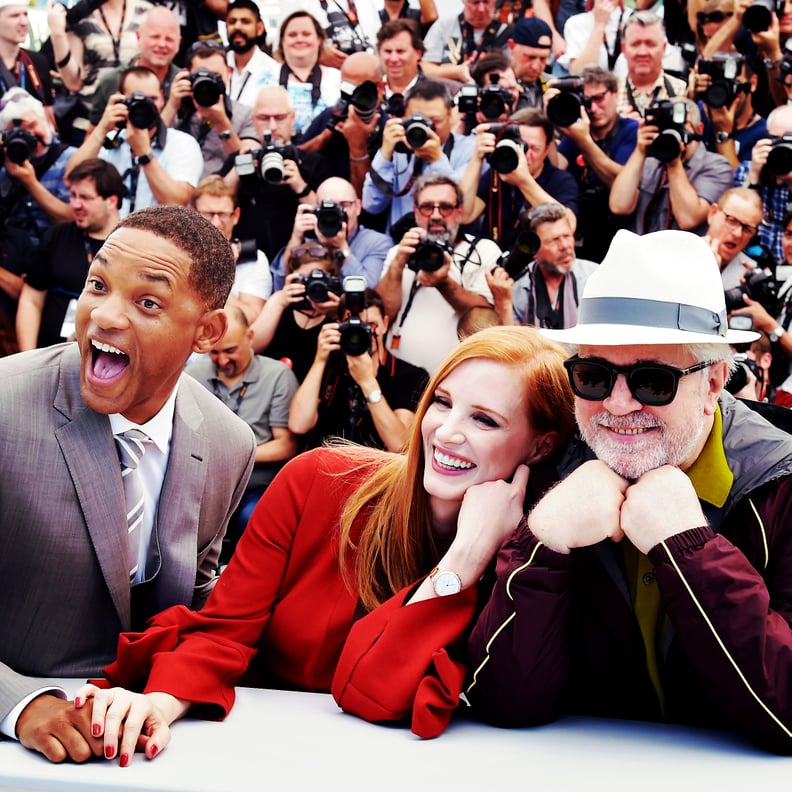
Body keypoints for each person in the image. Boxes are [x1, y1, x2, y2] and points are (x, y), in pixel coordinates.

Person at [70, 324, 575, 762]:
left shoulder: (532, 554)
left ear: (540, 445)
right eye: (441, 403)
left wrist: (466, 559)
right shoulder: (317, 479)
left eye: (484, 419)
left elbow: (376, 691)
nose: (445, 432)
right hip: (261, 752)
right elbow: (225, 631)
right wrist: (160, 703)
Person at [466, 227, 792, 754]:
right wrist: (540, 544)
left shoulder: (782, 485)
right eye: (592, 375)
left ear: (713, 382)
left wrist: (691, 550)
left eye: (652, 381)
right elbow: (505, 702)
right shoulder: (548, 473)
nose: (618, 405)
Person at [0, 205, 256, 764]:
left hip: (156, 751)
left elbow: (196, 603)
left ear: (207, 332)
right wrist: (19, 704)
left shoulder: (229, 442)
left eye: (147, 302)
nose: (104, 317)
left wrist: (164, 701)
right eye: (97, 284)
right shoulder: (3, 404)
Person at [186, 306, 298, 558]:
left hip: (254, 486)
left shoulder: (278, 376)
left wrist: (230, 453)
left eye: (230, 351)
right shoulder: (192, 376)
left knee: (254, 520)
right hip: (201, 485)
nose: (223, 361)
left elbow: (285, 446)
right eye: (214, 353)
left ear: (250, 338)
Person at [377, 173, 500, 375]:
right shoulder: (399, 251)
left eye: (445, 207)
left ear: (459, 211)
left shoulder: (484, 251)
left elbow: (485, 320)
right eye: (427, 207)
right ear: (415, 211)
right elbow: (383, 314)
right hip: (398, 380)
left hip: (454, 377)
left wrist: (444, 283)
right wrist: (399, 263)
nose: (435, 215)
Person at [288, 287, 429, 452]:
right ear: (339, 326)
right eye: (354, 326)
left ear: (385, 324)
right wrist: (320, 360)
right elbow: (298, 425)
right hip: (323, 464)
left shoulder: (411, 376)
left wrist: (367, 382)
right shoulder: (328, 364)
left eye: (371, 326)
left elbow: (400, 445)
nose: (363, 333)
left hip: (374, 472)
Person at [15, 158, 124, 351]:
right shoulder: (58, 236)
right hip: (47, 355)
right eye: (73, 195)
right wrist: (29, 355)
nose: (75, 204)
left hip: (101, 358)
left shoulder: (129, 246)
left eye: (85, 197)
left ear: (111, 201)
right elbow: (31, 300)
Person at [68, 64, 204, 216]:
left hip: (157, 236)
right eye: (137, 99)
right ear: (121, 99)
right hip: (113, 236)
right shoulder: (111, 141)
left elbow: (177, 203)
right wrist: (102, 128)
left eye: (152, 99)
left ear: (162, 99)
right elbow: (71, 178)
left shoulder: (183, 143)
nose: (145, 106)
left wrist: (144, 153)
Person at [227, 85, 332, 262]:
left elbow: (331, 219)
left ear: (293, 118)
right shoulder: (240, 159)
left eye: (280, 118)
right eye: (264, 118)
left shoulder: (314, 163)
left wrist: (301, 187)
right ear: (253, 120)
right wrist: (238, 172)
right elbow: (210, 204)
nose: (272, 126)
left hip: (301, 260)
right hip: (247, 259)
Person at [362, 79, 477, 232]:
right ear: (404, 118)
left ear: (450, 114)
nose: (426, 129)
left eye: (434, 121)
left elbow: (461, 207)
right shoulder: (399, 147)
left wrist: (437, 159)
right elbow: (371, 204)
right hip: (399, 243)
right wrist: (385, 154)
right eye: (418, 121)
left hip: (446, 242)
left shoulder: (469, 149)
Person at [609, 97, 733, 235]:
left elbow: (688, 219)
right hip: (642, 252)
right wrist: (639, 151)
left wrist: (674, 163)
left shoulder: (718, 167)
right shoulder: (649, 163)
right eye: (666, 127)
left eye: (679, 126)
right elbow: (619, 206)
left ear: (699, 129)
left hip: (682, 254)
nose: (672, 132)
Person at [461, 108, 579, 251]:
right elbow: (464, 215)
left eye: (534, 148)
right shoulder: (497, 176)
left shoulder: (561, 180)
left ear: (547, 149)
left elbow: (569, 225)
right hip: (492, 263)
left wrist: (524, 181)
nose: (525, 154)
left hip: (536, 265)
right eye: (520, 145)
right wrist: (477, 158)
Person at [554, 65, 638, 261]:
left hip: (620, 235)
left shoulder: (632, 131)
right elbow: (555, 168)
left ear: (615, 94)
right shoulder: (575, 132)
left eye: (599, 98)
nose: (593, 108)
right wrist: (552, 121)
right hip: (582, 233)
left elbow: (622, 182)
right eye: (586, 101)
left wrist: (584, 142)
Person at [47, 0, 153, 136]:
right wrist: (58, 34)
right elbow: (73, 83)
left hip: (138, 117)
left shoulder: (147, 11)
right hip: (90, 119)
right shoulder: (81, 15)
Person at [272, 176, 392, 292]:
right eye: (328, 206)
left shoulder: (378, 243)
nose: (336, 213)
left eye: (344, 205)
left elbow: (370, 292)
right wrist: (296, 238)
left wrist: (342, 248)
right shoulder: (307, 245)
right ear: (316, 210)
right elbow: (280, 289)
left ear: (358, 207)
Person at [489, 202, 598, 327]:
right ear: (534, 250)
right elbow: (512, 342)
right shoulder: (517, 287)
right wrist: (504, 305)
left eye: (567, 236)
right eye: (554, 240)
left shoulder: (595, 276)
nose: (565, 246)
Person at [161, 41, 258, 178]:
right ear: (186, 74)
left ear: (229, 73)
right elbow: (152, 147)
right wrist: (172, 105)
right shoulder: (175, 109)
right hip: (176, 191)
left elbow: (246, 166)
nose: (208, 82)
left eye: (215, 75)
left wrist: (221, 123)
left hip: (222, 193)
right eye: (201, 75)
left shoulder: (245, 114)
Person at [249, 243, 340, 383]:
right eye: (304, 279)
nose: (312, 286)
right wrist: (279, 302)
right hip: (275, 390)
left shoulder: (337, 311)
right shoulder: (280, 302)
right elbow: (250, 346)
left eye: (317, 279)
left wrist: (337, 314)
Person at [191, 176, 272, 324]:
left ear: (236, 216)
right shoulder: (179, 254)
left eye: (222, 215)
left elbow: (250, 320)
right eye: (208, 214)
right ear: (194, 213)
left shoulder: (255, 260)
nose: (215, 223)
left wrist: (222, 274)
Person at [0, 87, 76, 246]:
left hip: (51, 252)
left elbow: (72, 220)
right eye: (18, 133)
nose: (30, 136)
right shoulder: (6, 163)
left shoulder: (71, 158)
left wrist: (31, 183)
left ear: (45, 120)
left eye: (33, 125)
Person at [87, 6, 182, 127]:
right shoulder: (112, 81)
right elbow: (91, 136)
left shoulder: (183, 84)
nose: (162, 44)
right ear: (138, 37)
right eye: (155, 37)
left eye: (169, 39)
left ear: (178, 43)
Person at [256, 10, 341, 136]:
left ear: (319, 39)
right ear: (282, 40)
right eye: (292, 35)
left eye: (306, 34)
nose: (299, 39)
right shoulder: (264, 77)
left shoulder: (337, 79)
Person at [735, 104, 792, 262]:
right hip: (751, 266)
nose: (782, 147)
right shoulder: (749, 169)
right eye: (776, 140)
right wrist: (754, 177)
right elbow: (735, 220)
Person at [421, 0, 512, 85]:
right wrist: (456, 72)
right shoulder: (444, 25)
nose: (481, 9)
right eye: (475, 3)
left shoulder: (508, 33)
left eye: (486, 2)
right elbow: (424, 68)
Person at [616, 11, 688, 117]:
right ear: (624, 49)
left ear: (663, 48)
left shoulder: (683, 92)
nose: (643, 52)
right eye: (635, 44)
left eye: (650, 44)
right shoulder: (609, 95)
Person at [0, 0, 56, 127]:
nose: (24, 22)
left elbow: (49, 122)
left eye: (25, 14)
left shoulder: (38, 62)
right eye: (15, 16)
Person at [702, 186, 763, 289]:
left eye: (747, 229)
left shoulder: (753, 275)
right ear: (712, 213)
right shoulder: (678, 253)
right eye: (732, 220)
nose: (738, 234)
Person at [225, 0, 277, 108]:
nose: (237, 26)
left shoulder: (274, 72)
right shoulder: (217, 65)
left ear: (259, 28)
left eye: (245, 21)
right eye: (232, 21)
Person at [508, 16, 553, 111]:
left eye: (543, 59)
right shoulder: (492, 81)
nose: (536, 67)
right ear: (511, 46)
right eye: (530, 57)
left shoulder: (553, 85)